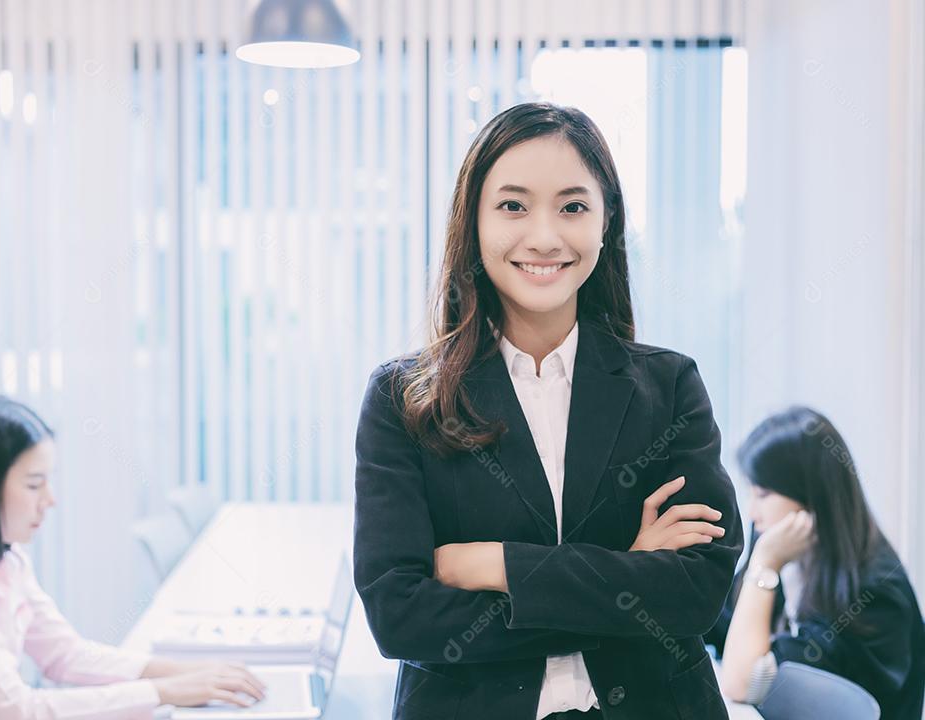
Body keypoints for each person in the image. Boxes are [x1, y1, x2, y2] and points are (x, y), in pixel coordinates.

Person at [353, 102, 744, 720]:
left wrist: (495, 564)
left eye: (572, 206)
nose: (544, 236)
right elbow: (400, 617)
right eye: (513, 205)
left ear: (606, 221)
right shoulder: (404, 399)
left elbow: (695, 592)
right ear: (473, 221)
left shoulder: (668, 386)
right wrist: (627, 577)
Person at [0, 394, 266, 719]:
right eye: (34, 484)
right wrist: (163, 692)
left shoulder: (3, 561)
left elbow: (67, 656)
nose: (50, 500)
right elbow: (12, 710)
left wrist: (184, 673)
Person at [706, 406, 925, 720]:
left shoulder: (874, 593)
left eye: (764, 494)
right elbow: (722, 625)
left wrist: (764, 569)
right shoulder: (787, 548)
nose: (752, 512)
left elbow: (742, 683)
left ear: (811, 496)